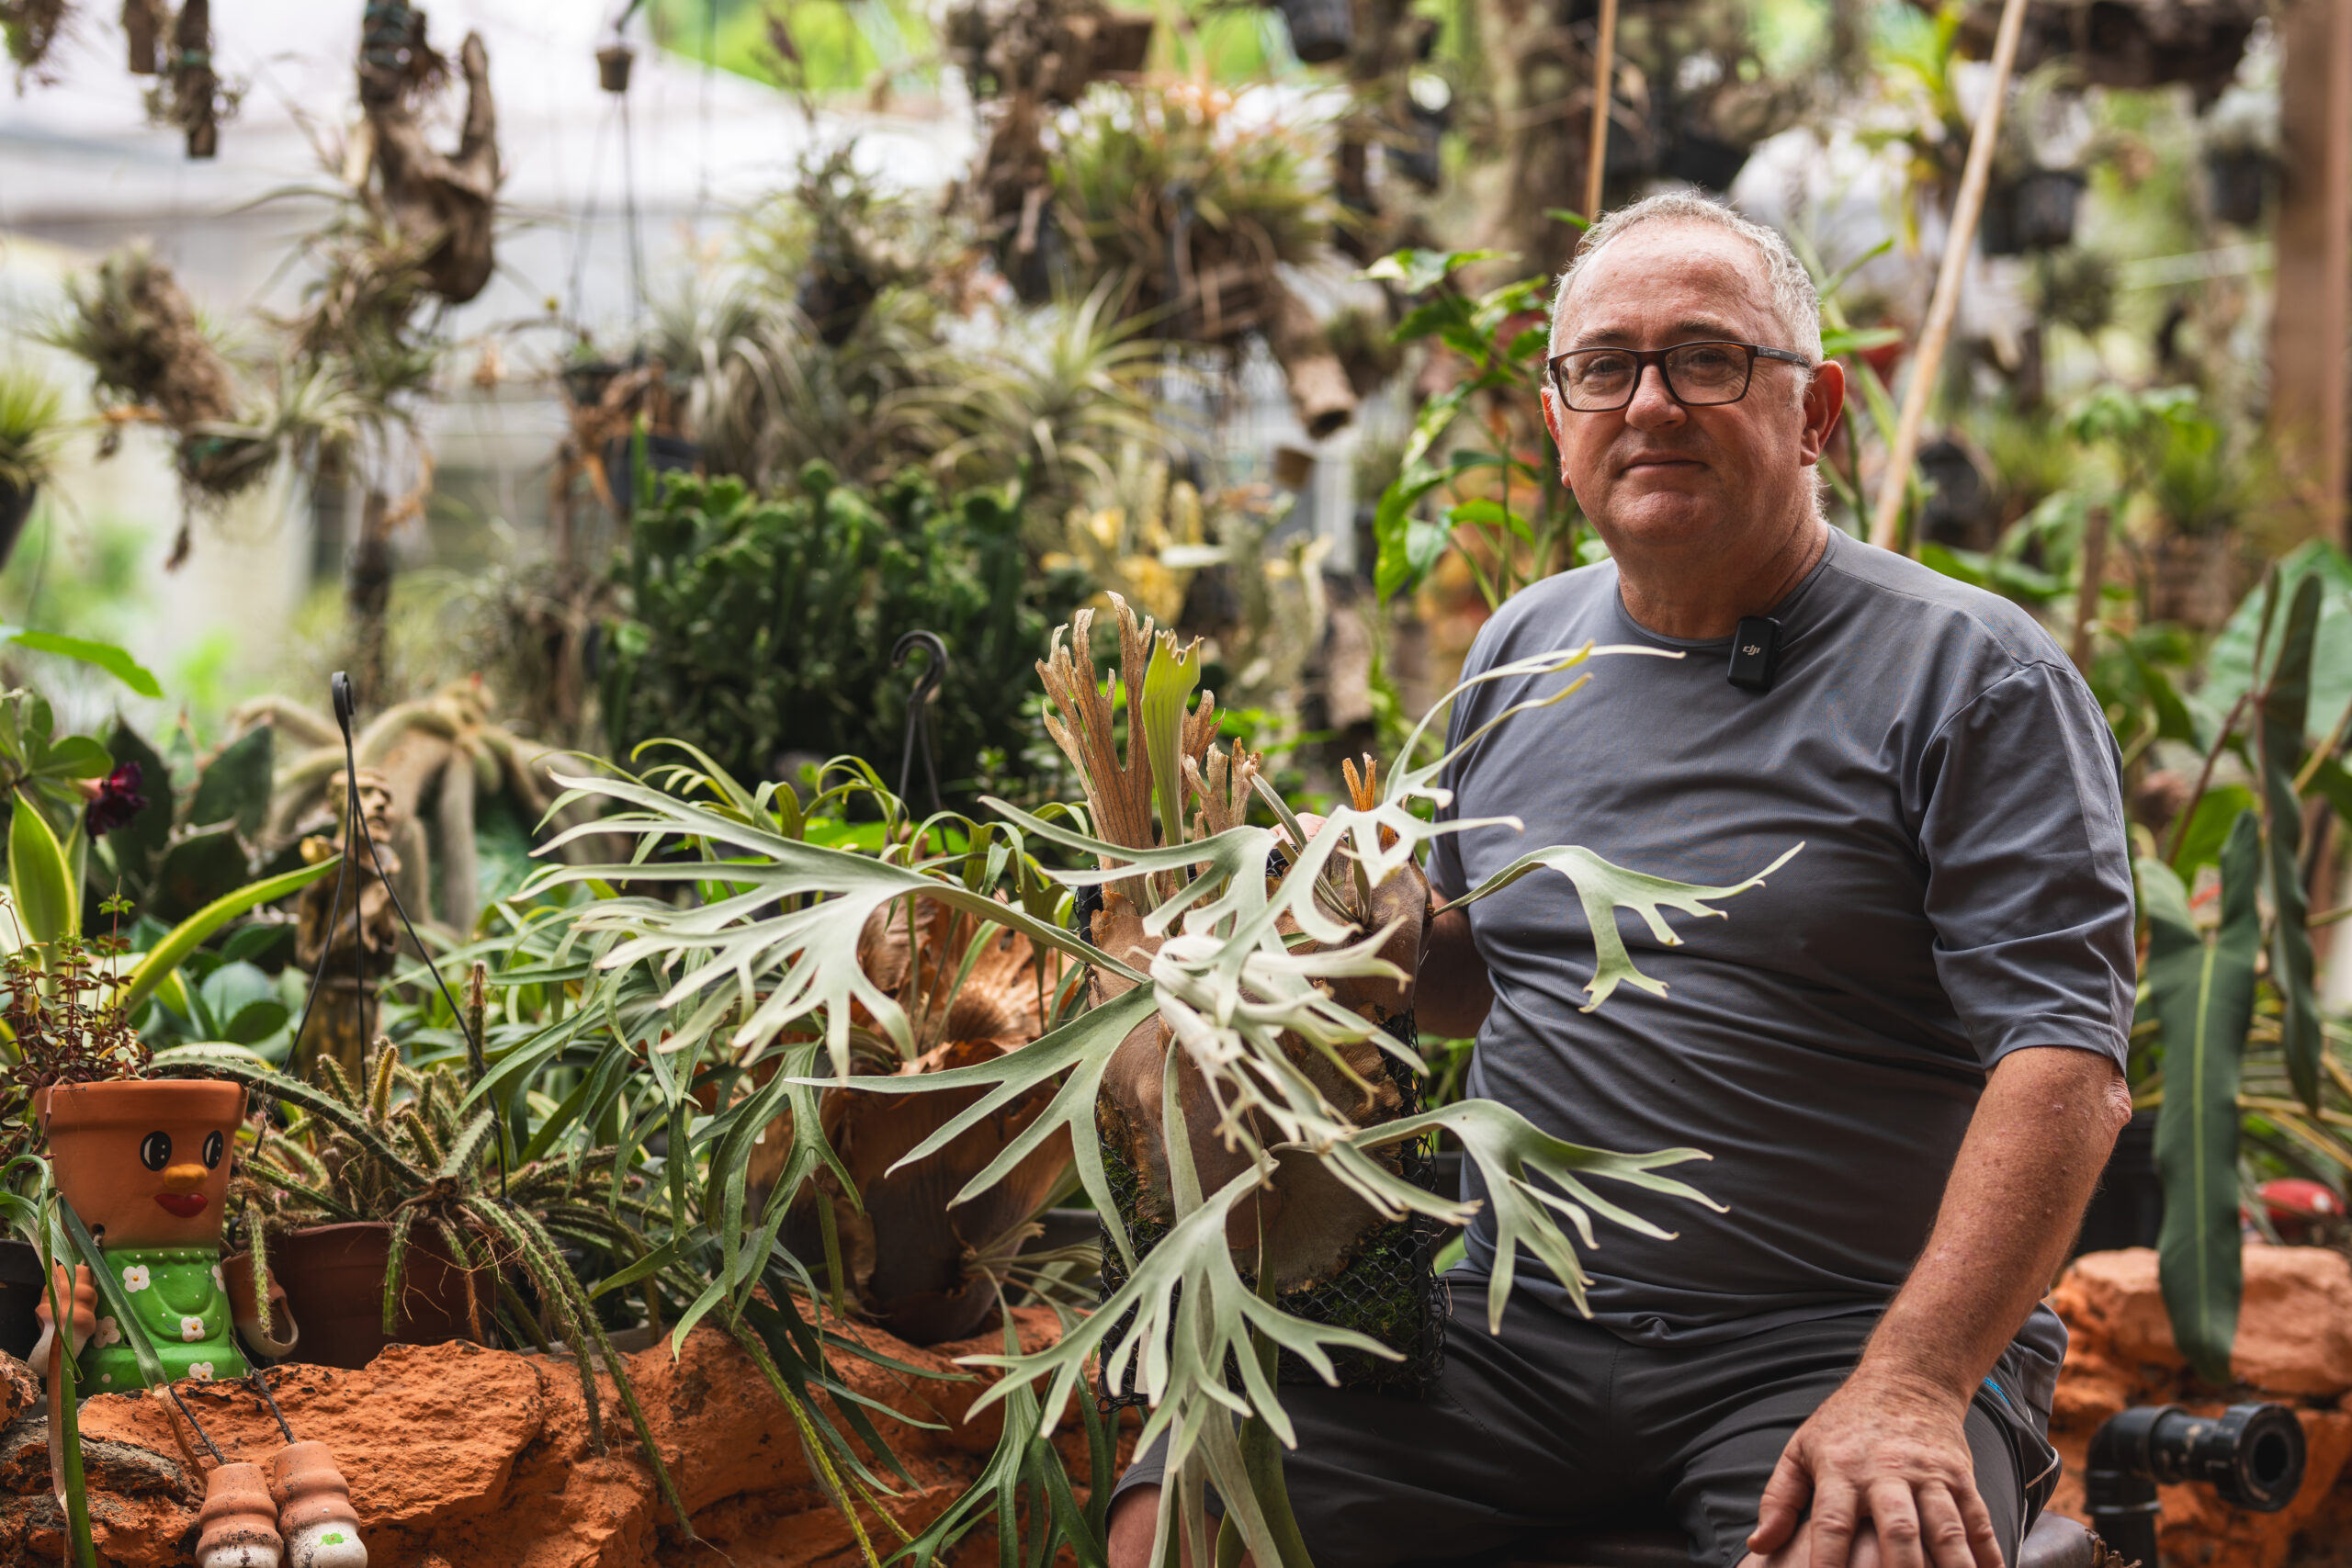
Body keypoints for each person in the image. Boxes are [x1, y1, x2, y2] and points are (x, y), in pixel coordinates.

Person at [1105, 190, 2137, 1568]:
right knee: (1185, 1510)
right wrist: (1358, 930)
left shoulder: (1975, 677)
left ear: (1818, 411)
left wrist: (1914, 1383)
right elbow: (1486, 976)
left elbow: (2067, 1066)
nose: (1650, 403)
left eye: (1708, 359)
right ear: (1558, 420)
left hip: (1837, 1334)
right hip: (1512, 1327)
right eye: (1604, 367)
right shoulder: (1524, 648)